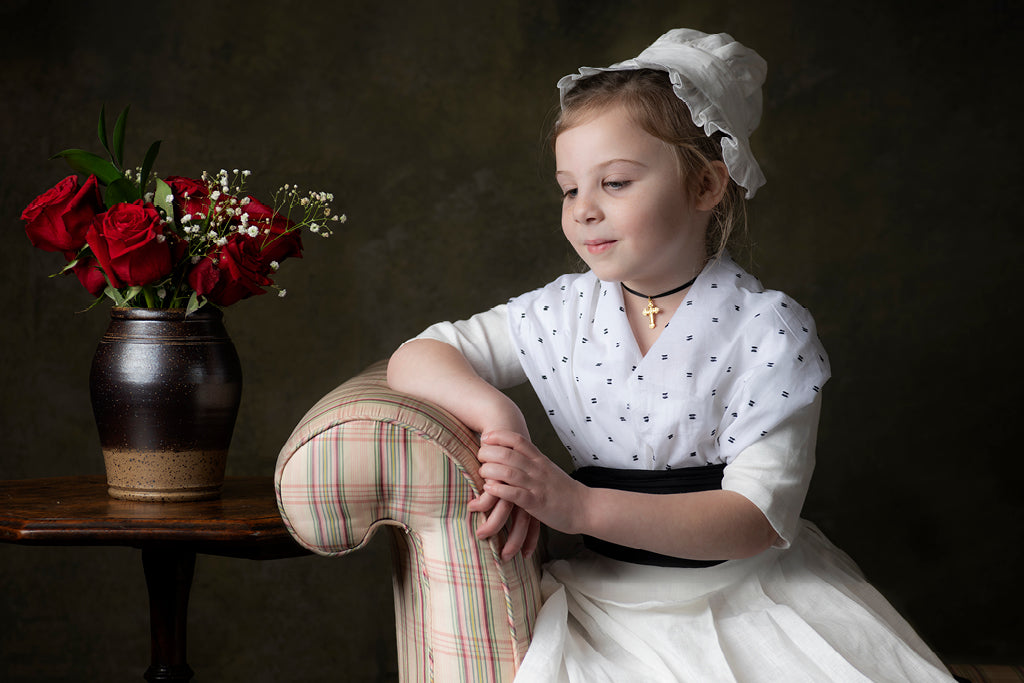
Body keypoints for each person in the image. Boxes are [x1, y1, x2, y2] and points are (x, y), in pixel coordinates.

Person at [388, 28, 957, 682]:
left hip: (746, 592)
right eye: (569, 189)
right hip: (606, 595)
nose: (585, 211)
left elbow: (753, 519)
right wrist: (499, 418)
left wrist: (577, 508)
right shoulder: (563, 311)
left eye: (617, 182)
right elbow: (420, 353)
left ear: (705, 186)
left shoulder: (766, 331)